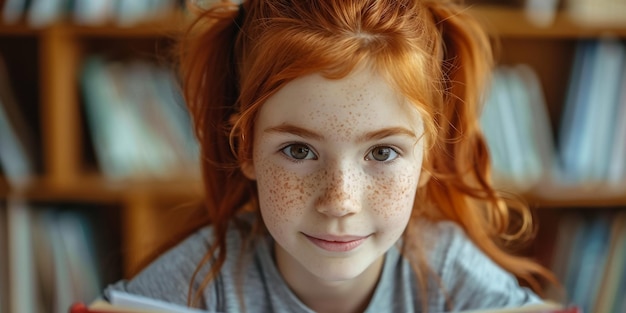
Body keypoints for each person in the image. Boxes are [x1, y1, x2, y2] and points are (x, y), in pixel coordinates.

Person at [103, 0, 556, 312]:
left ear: (427, 157)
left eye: (382, 152)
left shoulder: (449, 275)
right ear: (245, 148)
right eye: (298, 150)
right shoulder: (202, 281)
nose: (340, 200)